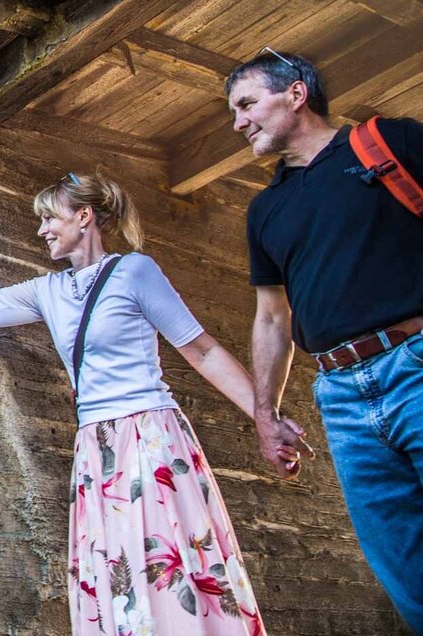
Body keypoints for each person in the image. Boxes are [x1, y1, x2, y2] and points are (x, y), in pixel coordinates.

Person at [0, 173, 269, 635]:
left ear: (84, 217)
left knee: (163, 552)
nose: (41, 230)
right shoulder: (48, 290)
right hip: (96, 446)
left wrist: (264, 417)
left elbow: (203, 350)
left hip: (147, 434)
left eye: (48, 218)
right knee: (118, 561)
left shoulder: (135, 271)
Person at [228, 49, 423, 632]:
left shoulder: (390, 141)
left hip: (416, 364)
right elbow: (271, 318)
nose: (237, 122)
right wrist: (265, 414)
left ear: (295, 93)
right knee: (404, 568)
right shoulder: (265, 210)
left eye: (246, 104)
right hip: (341, 398)